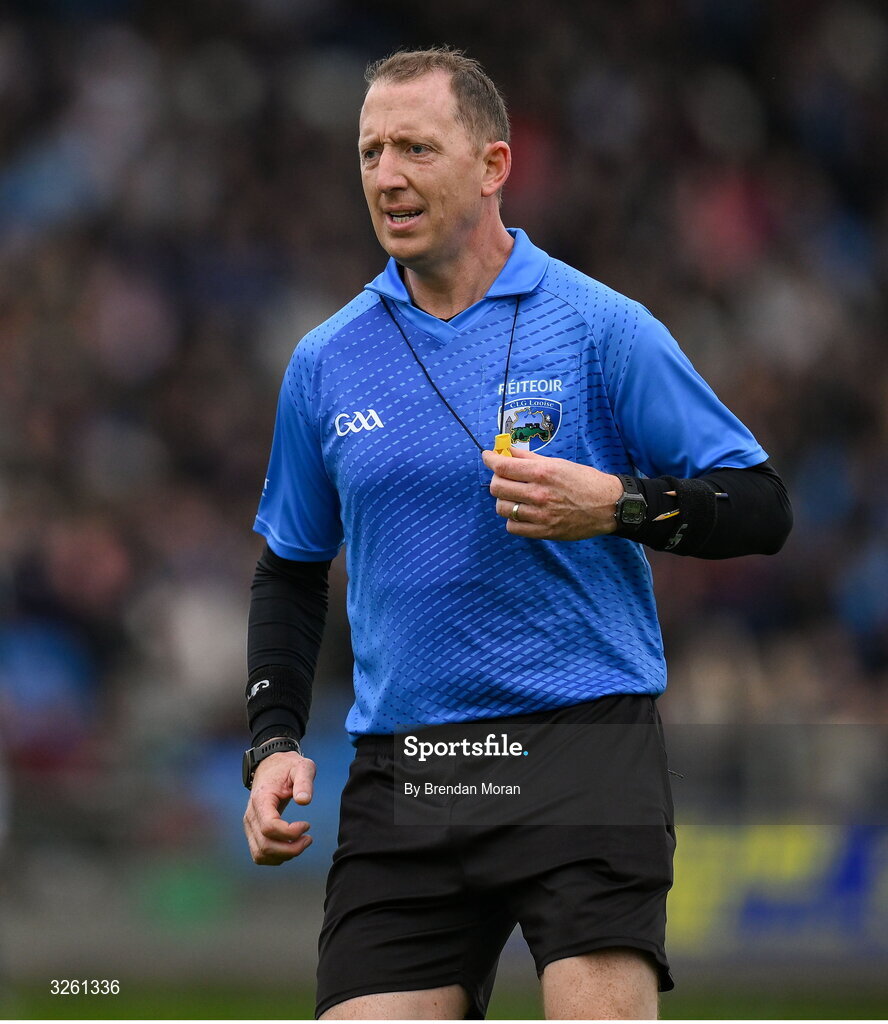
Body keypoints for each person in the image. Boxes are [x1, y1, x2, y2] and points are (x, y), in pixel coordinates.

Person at [241, 47, 792, 1020]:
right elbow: (289, 569)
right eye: (370, 152)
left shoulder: (597, 327)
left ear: (493, 165)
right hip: (408, 765)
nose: (387, 176)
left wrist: (616, 504)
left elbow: (760, 503)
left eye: (416, 147)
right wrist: (273, 739)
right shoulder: (324, 361)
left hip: (580, 748)